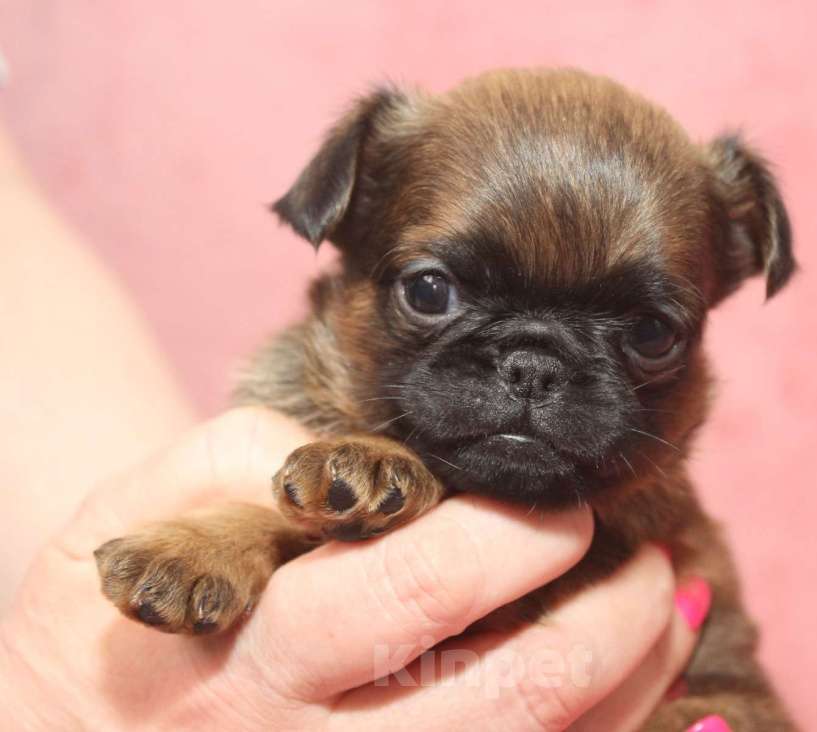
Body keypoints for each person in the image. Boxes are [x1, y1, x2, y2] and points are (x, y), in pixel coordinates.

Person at [0, 125, 721, 731]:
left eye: (646, 335)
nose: (532, 374)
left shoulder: (651, 512)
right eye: (433, 295)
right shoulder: (286, 429)